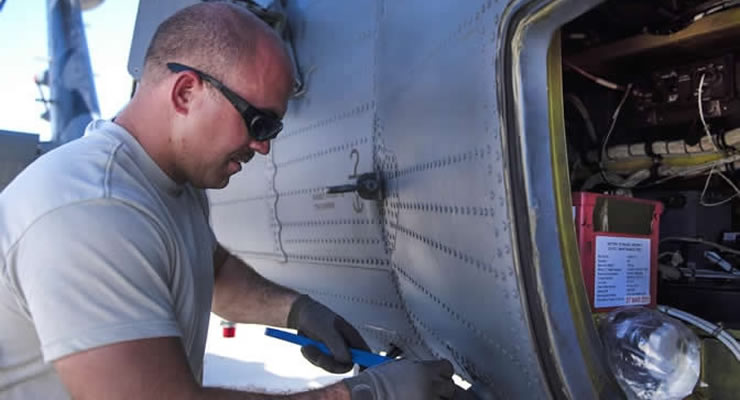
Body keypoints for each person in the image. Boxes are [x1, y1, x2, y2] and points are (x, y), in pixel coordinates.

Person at [0, 2, 458, 399]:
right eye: (259, 124)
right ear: (185, 93)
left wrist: (297, 310)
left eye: (273, 130)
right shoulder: (91, 210)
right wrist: (362, 394)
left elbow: (211, 268)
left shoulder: (169, 182)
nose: (264, 147)